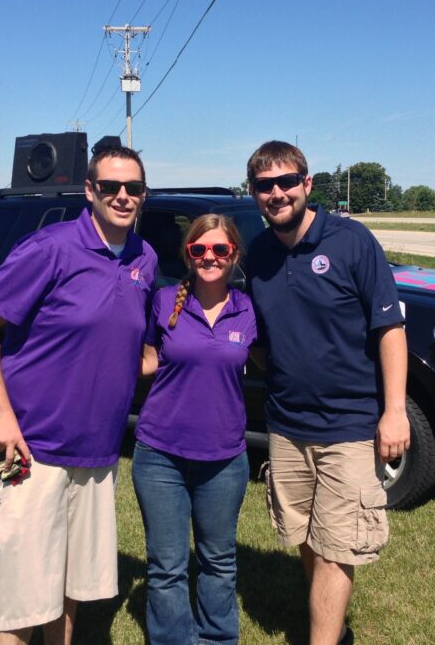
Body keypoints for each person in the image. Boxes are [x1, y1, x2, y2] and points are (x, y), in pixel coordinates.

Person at [0, 146, 158, 645]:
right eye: (110, 187)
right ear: (90, 191)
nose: (121, 196)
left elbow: (134, 346)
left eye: (132, 188)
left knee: (68, 586)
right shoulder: (51, 248)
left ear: (143, 195)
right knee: (22, 596)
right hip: (33, 447)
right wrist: (0, 416)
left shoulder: (144, 258)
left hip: (97, 451)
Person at [244, 141, 410, 645]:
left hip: (350, 425)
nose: (277, 193)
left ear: (307, 184)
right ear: (253, 193)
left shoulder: (352, 240)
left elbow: (390, 329)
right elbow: (260, 338)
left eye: (287, 181)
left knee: (339, 546)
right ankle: (331, 630)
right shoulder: (258, 254)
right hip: (287, 426)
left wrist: (395, 411)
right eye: (265, 186)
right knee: (307, 538)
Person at [132, 214, 258, 645]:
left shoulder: (247, 309)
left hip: (224, 458)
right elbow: (147, 360)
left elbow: (278, 363)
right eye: (199, 249)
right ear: (187, 254)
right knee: (166, 566)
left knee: (218, 560)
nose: (209, 257)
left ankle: (218, 638)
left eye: (219, 250)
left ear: (233, 255)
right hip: (159, 455)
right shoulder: (164, 300)